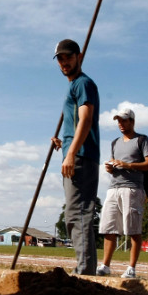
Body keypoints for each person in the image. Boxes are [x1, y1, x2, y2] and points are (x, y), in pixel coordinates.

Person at [50, 39, 100, 275]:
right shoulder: (75, 85)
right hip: (76, 152)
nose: (64, 62)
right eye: (60, 58)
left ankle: (85, 272)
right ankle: (85, 268)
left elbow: (86, 120)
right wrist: (65, 143)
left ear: (79, 57)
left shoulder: (82, 84)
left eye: (68, 57)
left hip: (80, 157)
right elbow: (77, 124)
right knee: (76, 213)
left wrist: (71, 153)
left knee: (77, 214)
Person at [97, 108, 148, 279]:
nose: (120, 124)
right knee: (109, 228)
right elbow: (117, 165)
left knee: (133, 229)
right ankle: (105, 265)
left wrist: (129, 165)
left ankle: (131, 268)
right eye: (118, 121)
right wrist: (110, 168)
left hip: (133, 189)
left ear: (132, 121)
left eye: (124, 120)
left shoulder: (142, 140)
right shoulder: (115, 142)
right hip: (113, 188)